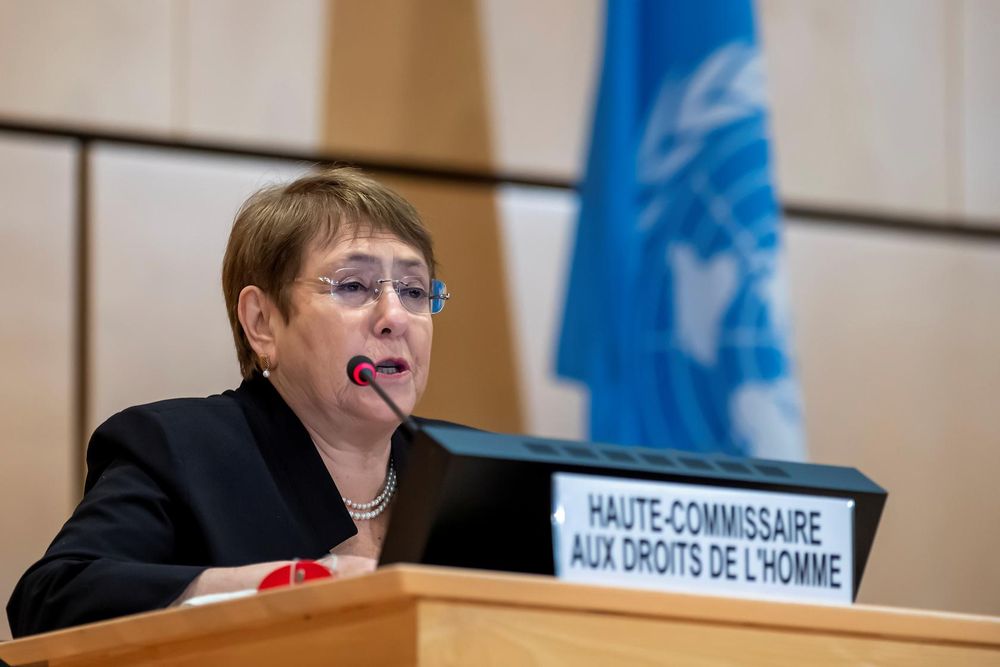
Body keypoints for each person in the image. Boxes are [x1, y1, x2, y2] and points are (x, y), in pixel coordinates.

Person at [6, 167, 454, 637]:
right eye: (353, 286)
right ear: (262, 321)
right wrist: (281, 588)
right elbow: (52, 597)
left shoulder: (468, 468)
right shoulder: (183, 451)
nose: (394, 317)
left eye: (413, 290)